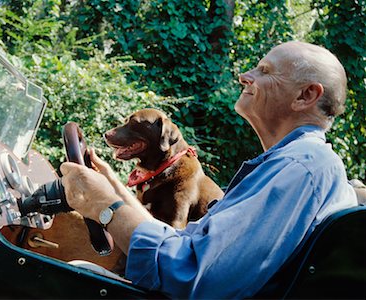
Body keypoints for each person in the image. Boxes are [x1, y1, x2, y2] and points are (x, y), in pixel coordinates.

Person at [59, 41, 358, 299]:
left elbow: (193, 273)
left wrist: (106, 207)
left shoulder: (299, 168)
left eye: (264, 71)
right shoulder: (298, 164)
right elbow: (187, 245)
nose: (244, 76)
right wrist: (113, 188)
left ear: (306, 96)